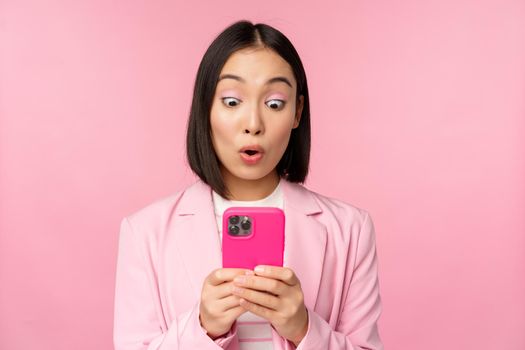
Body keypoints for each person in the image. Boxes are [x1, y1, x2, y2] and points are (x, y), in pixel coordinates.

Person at [113, 19, 384, 350]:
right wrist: (202, 328)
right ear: (205, 108)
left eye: (274, 103)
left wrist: (303, 329)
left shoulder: (350, 229)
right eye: (231, 101)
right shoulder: (144, 233)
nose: (253, 124)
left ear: (297, 112)